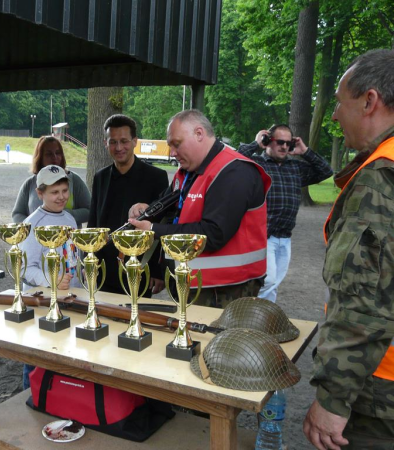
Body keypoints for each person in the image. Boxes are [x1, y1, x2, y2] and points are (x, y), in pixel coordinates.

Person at [303, 49, 394, 450]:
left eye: (340, 103)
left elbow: (362, 302)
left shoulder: (379, 180)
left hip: (380, 386)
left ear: (370, 101)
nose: (336, 115)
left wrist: (333, 398)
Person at [128, 110, 271, 308]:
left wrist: (153, 230)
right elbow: (172, 205)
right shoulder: (190, 171)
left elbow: (213, 234)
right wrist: (146, 208)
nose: (171, 153)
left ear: (199, 134)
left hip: (227, 290)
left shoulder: (233, 171)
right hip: (197, 284)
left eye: (176, 144)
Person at [237, 125, 333, 303]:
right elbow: (233, 161)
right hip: (263, 236)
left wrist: (305, 151)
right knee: (268, 281)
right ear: (268, 141)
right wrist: (255, 144)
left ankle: (265, 318)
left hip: (285, 237)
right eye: (280, 142)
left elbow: (326, 171)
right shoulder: (256, 164)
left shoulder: (295, 167)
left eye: (288, 144)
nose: (284, 147)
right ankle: (249, 313)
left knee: (273, 284)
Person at [88, 114, 169, 296]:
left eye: (124, 141)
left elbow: (163, 226)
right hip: (103, 269)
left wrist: (157, 270)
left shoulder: (156, 177)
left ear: (135, 141)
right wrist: (89, 260)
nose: (119, 147)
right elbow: (94, 222)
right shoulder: (100, 177)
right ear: (105, 143)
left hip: (139, 269)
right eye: (113, 142)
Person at [18, 164, 80, 389]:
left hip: (69, 300)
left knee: (63, 353)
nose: (61, 197)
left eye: (64, 191)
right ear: (40, 193)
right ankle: (30, 396)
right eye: (54, 192)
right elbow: (25, 268)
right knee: (37, 357)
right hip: (40, 306)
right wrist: (50, 279)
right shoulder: (32, 224)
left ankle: (56, 396)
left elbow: (73, 257)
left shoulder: (70, 220)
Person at [12, 135, 90, 227]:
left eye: (58, 153)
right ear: (40, 157)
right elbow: (17, 214)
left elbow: (90, 210)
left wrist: (64, 215)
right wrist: (32, 226)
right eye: (49, 154)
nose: (54, 157)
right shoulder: (29, 183)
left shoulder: (74, 180)